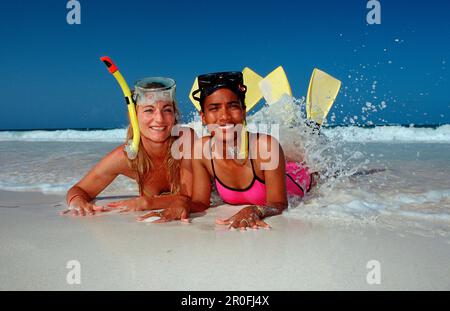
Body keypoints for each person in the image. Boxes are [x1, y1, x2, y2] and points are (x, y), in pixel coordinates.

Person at [139, 72, 312, 229]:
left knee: (313, 169)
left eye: (233, 106)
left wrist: (254, 210)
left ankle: (311, 128)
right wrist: (182, 203)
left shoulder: (266, 146)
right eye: (214, 108)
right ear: (203, 117)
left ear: (244, 112)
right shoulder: (201, 150)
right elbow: (200, 202)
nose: (225, 116)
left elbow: (278, 204)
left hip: (297, 177)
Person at [62, 77, 194, 218]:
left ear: (174, 115)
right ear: (134, 116)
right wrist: (77, 202)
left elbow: (190, 197)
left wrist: (145, 203)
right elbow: (80, 189)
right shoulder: (127, 156)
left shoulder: (185, 140)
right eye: (149, 110)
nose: (159, 119)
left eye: (167, 110)